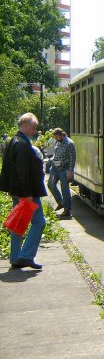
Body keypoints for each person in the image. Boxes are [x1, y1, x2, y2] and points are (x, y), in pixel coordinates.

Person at [0, 113, 47, 270]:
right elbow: (22, 171)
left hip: (19, 191)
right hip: (27, 192)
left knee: (19, 224)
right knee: (39, 222)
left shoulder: (14, 141)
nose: (35, 131)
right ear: (25, 125)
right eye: (33, 128)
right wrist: (27, 193)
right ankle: (26, 256)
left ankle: (15, 258)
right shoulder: (22, 144)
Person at [48, 128, 76, 219]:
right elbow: (56, 154)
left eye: (56, 137)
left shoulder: (69, 143)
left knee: (65, 189)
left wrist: (71, 171)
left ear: (61, 135)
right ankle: (61, 202)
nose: (55, 139)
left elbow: (73, 158)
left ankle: (67, 210)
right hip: (55, 167)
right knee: (50, 184)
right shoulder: (58, 142)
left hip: (64, 169)